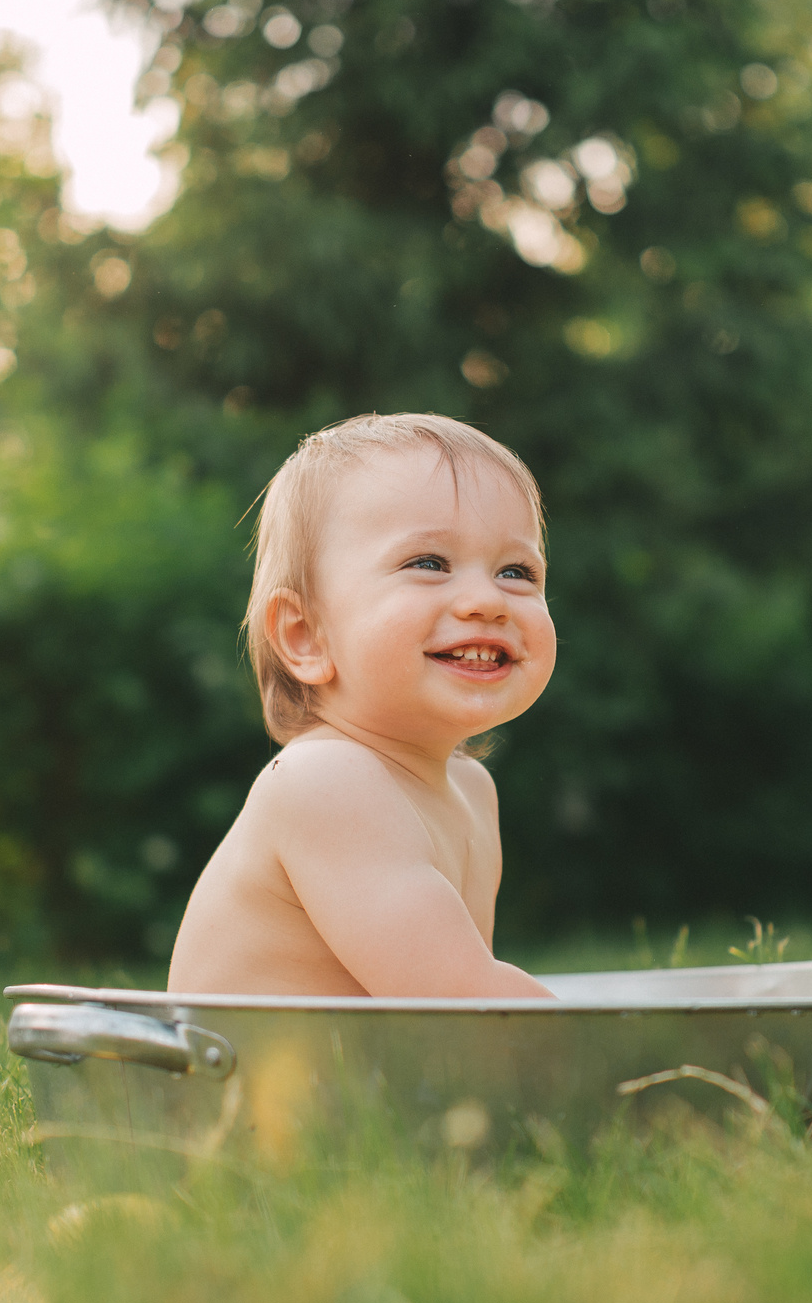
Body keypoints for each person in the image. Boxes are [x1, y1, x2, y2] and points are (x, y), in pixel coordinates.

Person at [169, 413, 558, 997]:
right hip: (243, 1085)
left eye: (516, 571)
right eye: (428, 564)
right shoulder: (326, 780)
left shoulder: (473, 790)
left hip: (360, 1087)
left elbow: (454, 1026)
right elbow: (464, 1005)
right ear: (306, 636)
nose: (487, 600)